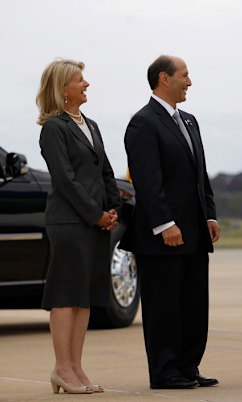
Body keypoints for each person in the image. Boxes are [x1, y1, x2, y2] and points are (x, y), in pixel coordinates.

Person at [120, 55, 220, 389]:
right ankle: (164, 371)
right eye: (185, 75)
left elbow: (198, 174)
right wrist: (165, 223)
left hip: (193, 232)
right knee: (164, 306)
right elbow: (148, 180)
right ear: (164, 78)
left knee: (193, 303)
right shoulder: (143, 123)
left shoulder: (189, 121)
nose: (189, 81)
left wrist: (209, 214)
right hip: (162, 236)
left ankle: (188, 366)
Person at [36, 59, 121, 394]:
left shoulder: (92, 124)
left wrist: (111, 208)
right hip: (69, 222)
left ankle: (76, 367)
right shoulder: (53, 128)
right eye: (80, 80)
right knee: (66, 294)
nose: (87, 84)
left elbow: (105, 170)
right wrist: (94, 214)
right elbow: (65, 181)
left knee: (84, 297)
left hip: (95, 221)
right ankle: (61, 368)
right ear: (62, 89)